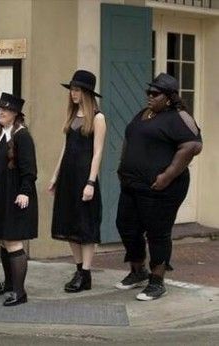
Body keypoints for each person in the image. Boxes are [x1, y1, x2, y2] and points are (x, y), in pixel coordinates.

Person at [115, 73, 202, 301]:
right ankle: (138, 271)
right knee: (126, 226)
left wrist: (167, 175)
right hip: (132, 184)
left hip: (162, 188)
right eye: (149, 92)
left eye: (155, 94)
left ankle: (157, 281)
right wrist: (122, 165)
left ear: (170, 97)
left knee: (157, 232)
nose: (149, 96)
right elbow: (130, 138)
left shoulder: (178, 117)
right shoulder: (144, 114)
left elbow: (192, 146)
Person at [0, 92, 38, 306]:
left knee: (13, 241)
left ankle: (19, 292)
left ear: (16, 114)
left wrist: (24, 192)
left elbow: (30, 170)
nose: (0, 112)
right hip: (1, 196)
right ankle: (9, 284)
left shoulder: (22, 136)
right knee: (4, 241)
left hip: (16, 197)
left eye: (5, 109)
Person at [49, 70, 106, 293]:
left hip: (85, 177)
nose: (73, 93)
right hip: (68, 177)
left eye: (77, 89)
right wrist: (55, 175)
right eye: (72, 89)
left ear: (87, 92)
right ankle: (79, 269)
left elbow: (98, 153)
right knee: (70, 225)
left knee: (85, 226)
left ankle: (86, 274)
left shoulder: (98, 118)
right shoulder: (72, 116)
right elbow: (65, 148)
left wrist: (91, 182)